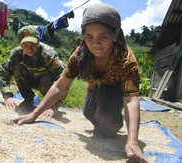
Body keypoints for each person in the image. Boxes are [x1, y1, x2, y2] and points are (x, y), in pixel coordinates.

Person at [13, 3, 149, 163]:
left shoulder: (126, 59)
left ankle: (112, 118)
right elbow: (60, 86)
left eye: (102, 37)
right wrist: (34, 114)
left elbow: (131, 99)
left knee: (107, 129)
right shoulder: (80, 55)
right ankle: (100, 108)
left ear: (115, 34)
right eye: (89, 37)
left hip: (116, 91)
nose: (95, 43)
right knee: (87, 113)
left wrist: (132, 141)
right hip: (94, 88)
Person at [0, 25, 66, 119]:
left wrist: (55, 105)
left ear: (38, 41)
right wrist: (7, 95)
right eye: (25, 46)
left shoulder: (48, 54)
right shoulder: (16, 54)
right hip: (29, 80)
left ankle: (49, 104)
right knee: (17, 68)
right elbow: (3, 72)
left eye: (33, 45)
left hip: (46, 83)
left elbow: (64, 80)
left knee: (46, 80)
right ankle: (28, 100)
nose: (29, 49)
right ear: (19, 44)